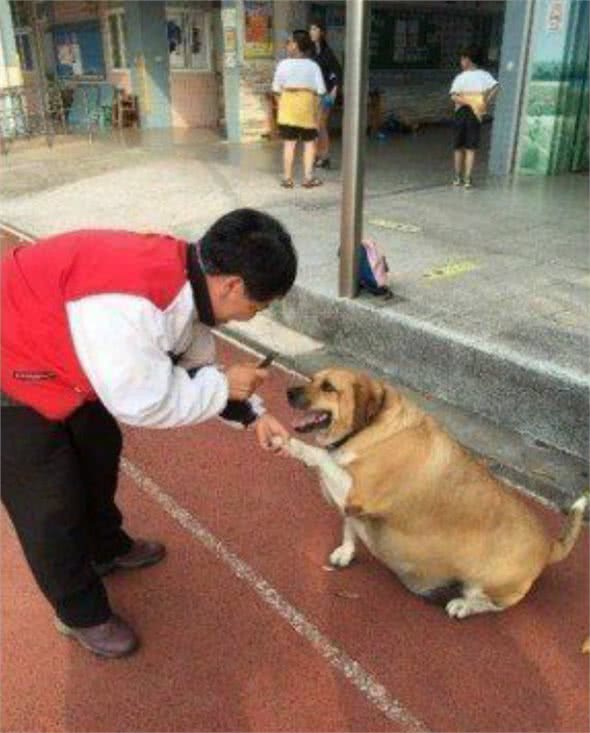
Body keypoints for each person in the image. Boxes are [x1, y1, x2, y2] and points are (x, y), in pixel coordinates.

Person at [1, 209, 296, 659]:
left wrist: (253, 415)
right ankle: (80, 613)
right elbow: (142, 402)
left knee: (99, 447)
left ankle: (105, 547)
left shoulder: (189, 277)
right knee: (49, 502)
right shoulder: (130, 304)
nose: (253, 317)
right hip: (10, 366)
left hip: (55, 352)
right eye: (259, 306)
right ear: (232, 285)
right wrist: (222, 386)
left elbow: (192, 362)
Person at [272, 29, 325, 189]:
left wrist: (282, 105)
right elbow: (321, 92)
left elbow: (276, 89)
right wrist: (318, 115)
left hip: (287, 109)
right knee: (309, 144)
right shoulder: (313, 66)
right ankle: (308, 178)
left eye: (288, 42)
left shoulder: (283, 64)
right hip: (307, 109)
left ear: (296, 45)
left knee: (289, 144)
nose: (286, 45)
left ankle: (287, 179)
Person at [449, 46, 499, 188]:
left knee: (458, 147)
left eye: (462, 59)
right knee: (471, 147)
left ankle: (458, 177)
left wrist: (468, 101)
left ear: (467, 60)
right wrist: (484, 101)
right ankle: (467, 179)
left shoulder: (460, 77)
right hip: (476, 113)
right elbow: (496, 87)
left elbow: (454, 96)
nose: (461, 62)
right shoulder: (485, 75)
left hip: (461, 112)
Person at [310, 21, 342, 170]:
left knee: (320, 125)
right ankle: (318, 155)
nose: (312, 32)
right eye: (311, 29)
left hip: (326, 95)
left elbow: (336, 72)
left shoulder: (327, 52)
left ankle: (325, 156)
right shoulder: (311, 52)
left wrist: (334, 91)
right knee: (315, 126)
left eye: (315, 29)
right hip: (313, 94)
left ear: (321, 32)